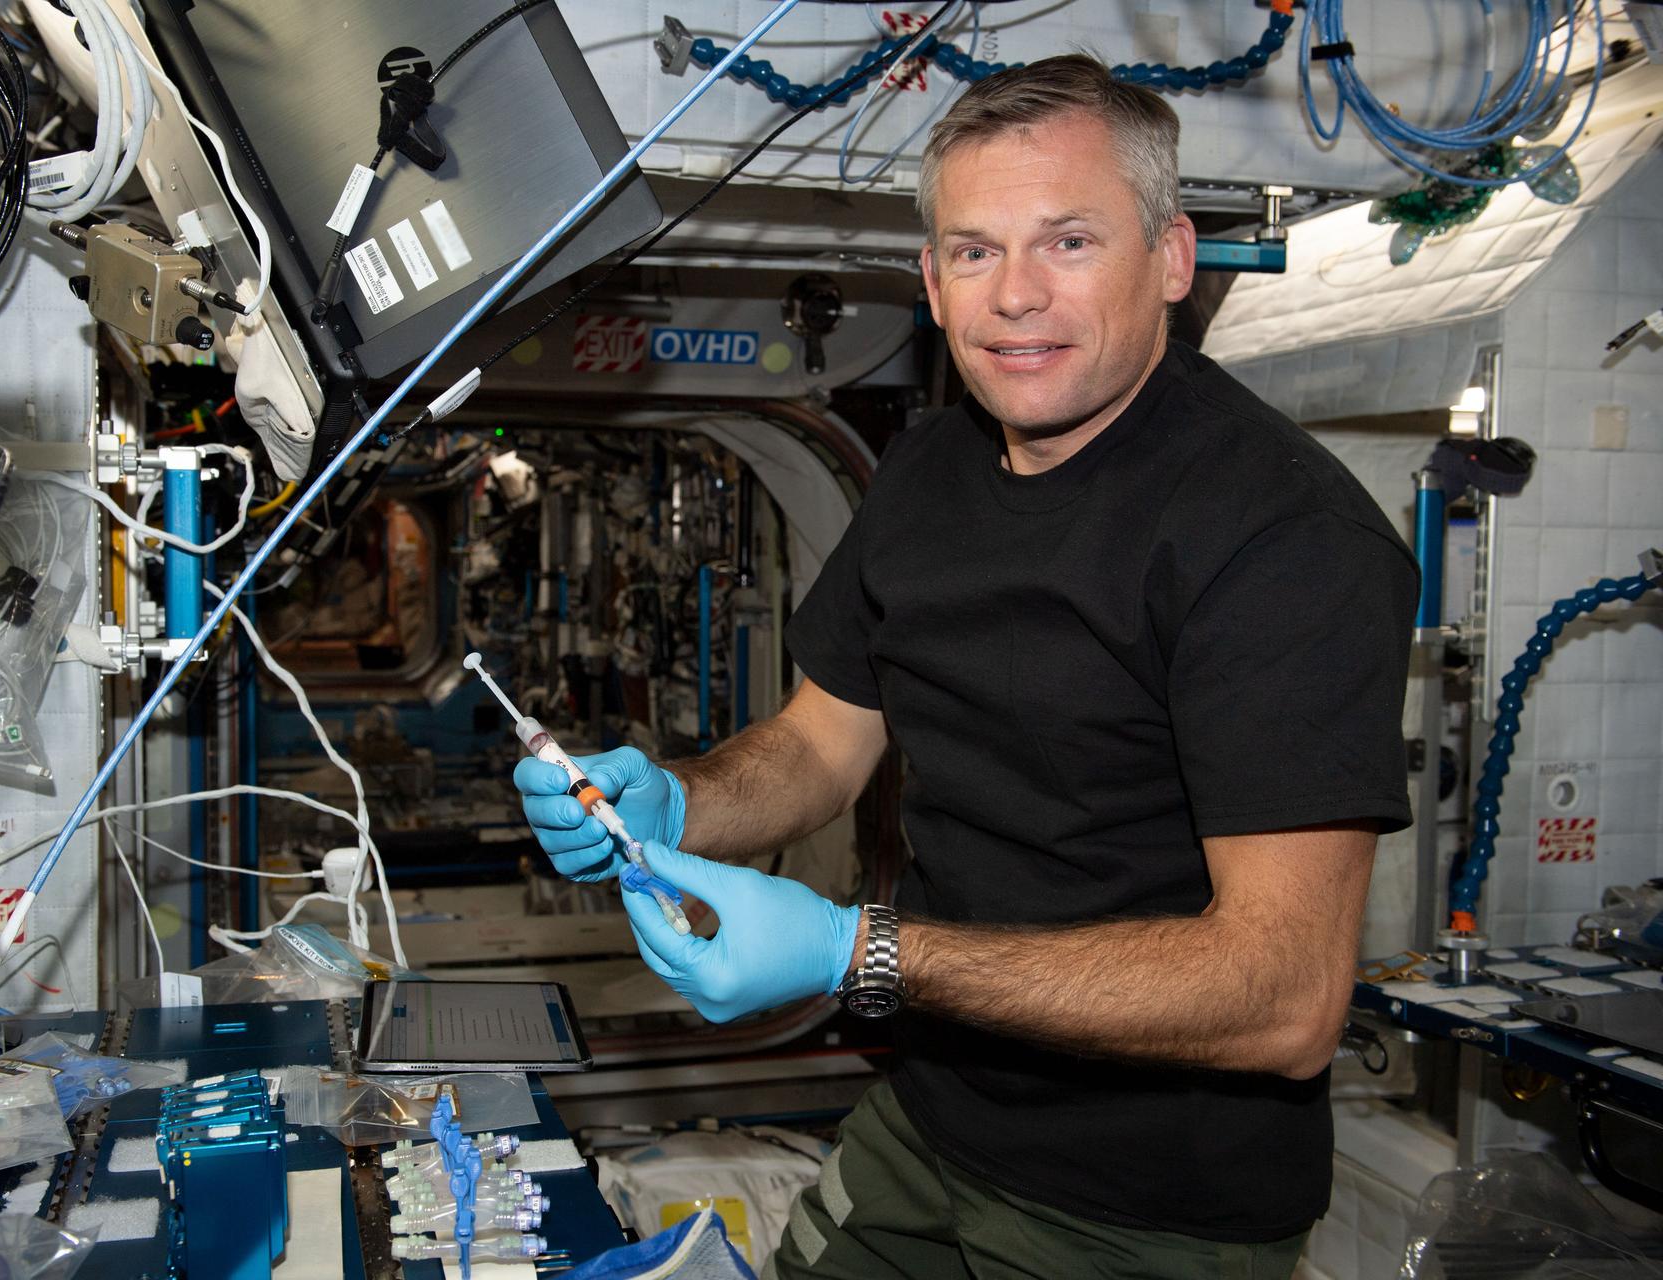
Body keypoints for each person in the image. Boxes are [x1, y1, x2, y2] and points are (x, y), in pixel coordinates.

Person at [514, 55, 1416, 1279]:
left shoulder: (1280, 536)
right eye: (975, 252)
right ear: (931, 284)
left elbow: (1284, 997)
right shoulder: (933, 469)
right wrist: (674, 797)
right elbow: (821, 744)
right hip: (934, 1116)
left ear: (1172, 257)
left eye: (1070, 241)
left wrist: (859, 953)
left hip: (1147, 1205)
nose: (1016, 297)